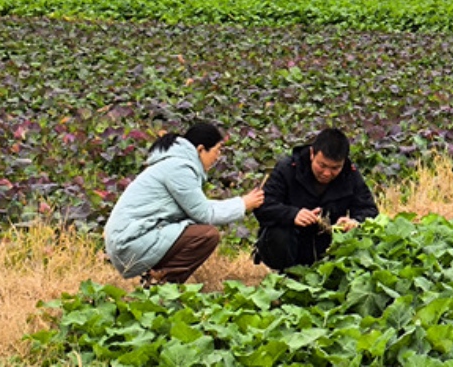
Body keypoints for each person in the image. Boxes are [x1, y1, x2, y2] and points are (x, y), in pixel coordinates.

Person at [103, 120, 264, 285]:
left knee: (197, 231)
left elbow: (200, 207)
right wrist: (243, 204)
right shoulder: (179, 168)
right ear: (201, 149)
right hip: (130, 242)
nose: (218, 157)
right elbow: (205, 213)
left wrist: (242, 202)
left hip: (131, 238)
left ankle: (158, 282)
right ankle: (162, 285)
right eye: (217, 150)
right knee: (206, 235)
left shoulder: (173, 164)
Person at [253, 127, 379, 270]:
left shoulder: (350, 174)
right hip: (291, 243)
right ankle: (286, 272)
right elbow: (262, 206)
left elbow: (369, 210)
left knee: (365, 237)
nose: (327, 173)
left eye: (335, 168)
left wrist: (355, 222)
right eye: (322, 165)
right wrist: (293, 214)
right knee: (279, 234)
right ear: (312, 153)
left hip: (327, 246)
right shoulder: (287, 168)